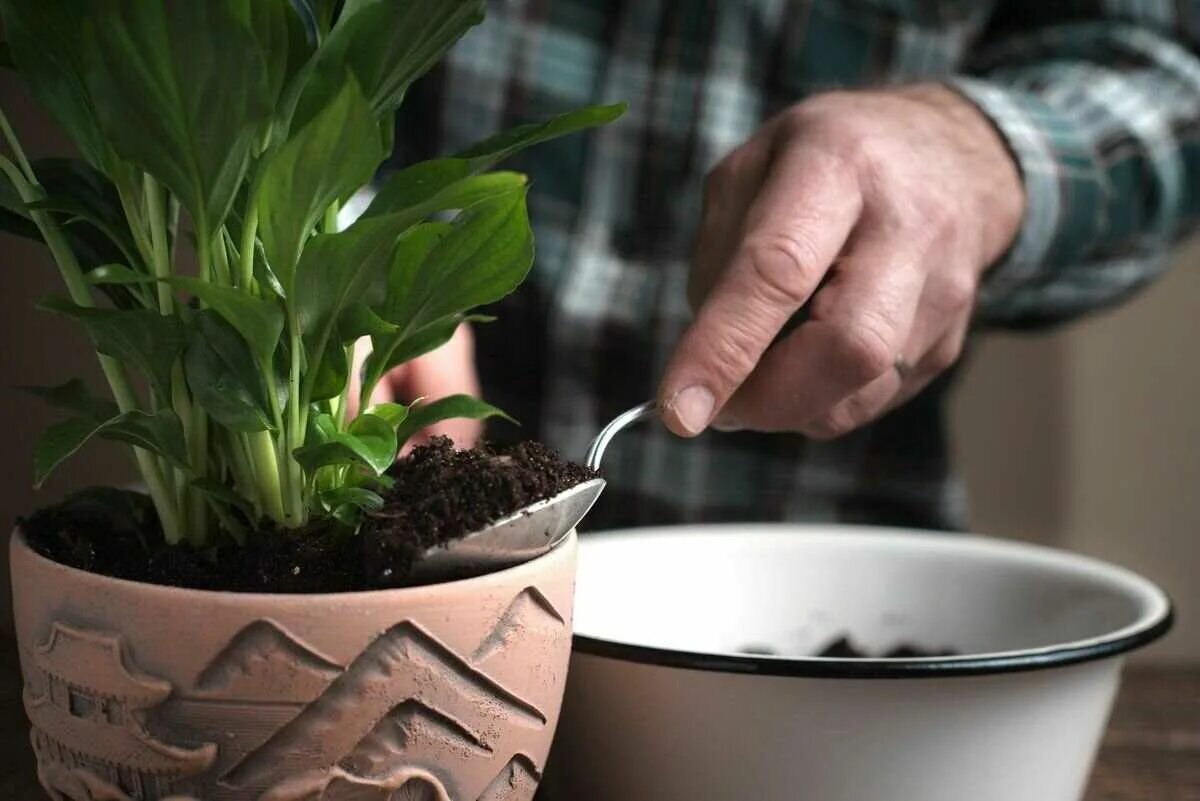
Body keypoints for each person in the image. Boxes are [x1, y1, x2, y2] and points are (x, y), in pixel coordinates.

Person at [369, 1, 1200, 531]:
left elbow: (1163, 67)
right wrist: (323, 271)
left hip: (822, 619)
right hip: (383, 597)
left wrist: (979, 153)